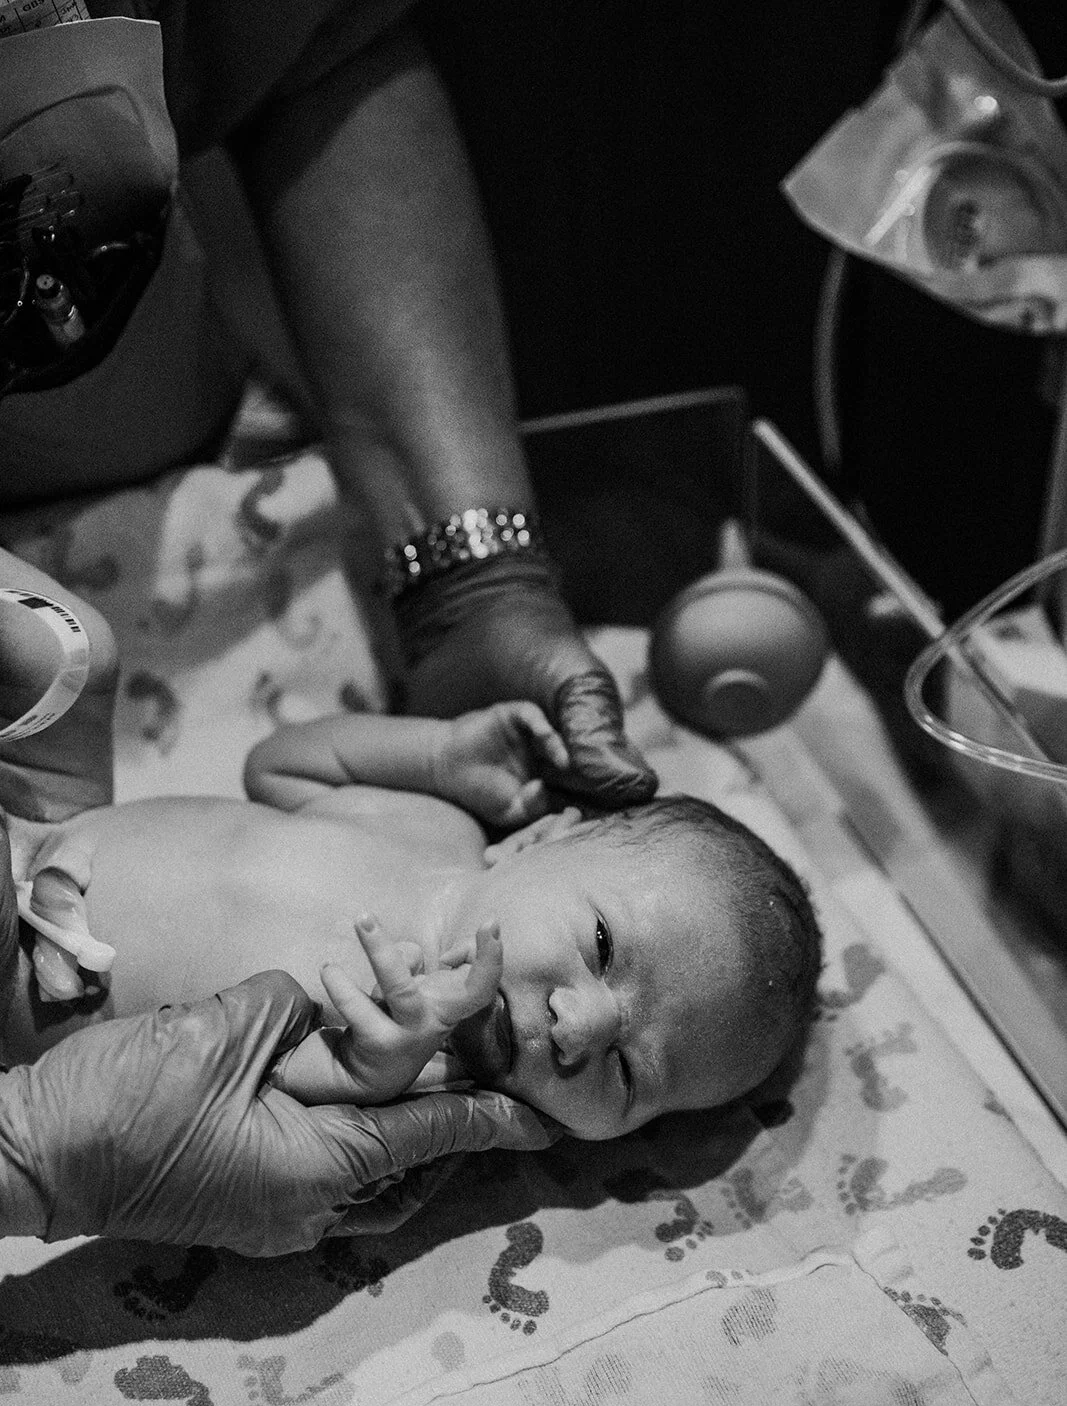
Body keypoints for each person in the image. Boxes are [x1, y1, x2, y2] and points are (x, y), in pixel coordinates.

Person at [0, 0, 656, 812]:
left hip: (124, 506)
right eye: (594, 938)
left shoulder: (419, 842)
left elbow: (315, 51)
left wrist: (475, 583)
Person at [1, 578, 820, 1143]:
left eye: (628, 1073)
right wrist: (432, 757)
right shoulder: (432, 826)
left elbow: (232, 1108)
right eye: (601, 947)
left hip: (21, 986)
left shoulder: (425, 1077)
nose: (581, 1027)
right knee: (66, 641)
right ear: (540, 840)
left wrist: (361, 1067)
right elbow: (276, 768)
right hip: (49, 821)